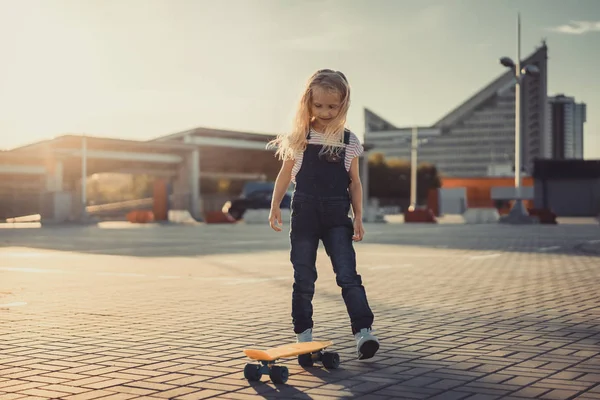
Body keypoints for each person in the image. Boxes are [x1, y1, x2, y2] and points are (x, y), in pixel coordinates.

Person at [266, 69, 379, 360]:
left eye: (332, 106)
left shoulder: (349, 140)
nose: (325, 112)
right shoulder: (300, 136)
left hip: (336, 216)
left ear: (343, 105)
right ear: (308, 102)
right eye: (319, 105)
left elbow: (355, 182)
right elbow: (285, 173)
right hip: (304, 213)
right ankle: (303, 335)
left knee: (347, 275)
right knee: (303, 277)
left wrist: (359, 217)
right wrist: (275, 204)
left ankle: (364, 333)